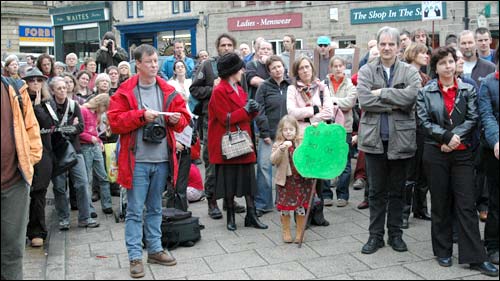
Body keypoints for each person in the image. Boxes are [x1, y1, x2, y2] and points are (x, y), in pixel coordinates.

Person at [107, 44, 190, 278]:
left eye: (156, 61)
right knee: (134, 210)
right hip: (137, 161)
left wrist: (175, 120)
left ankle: (154, 249)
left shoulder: (167, 89)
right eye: (150, 61)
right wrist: (141, 116)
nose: (155, 65)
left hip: (162, 159)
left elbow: (184, 119)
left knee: (155, 208)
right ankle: (135, 256)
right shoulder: (125, 90)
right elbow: (115, 122)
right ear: (138, 65)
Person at [417, 46, 498, 277]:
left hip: (462, 154)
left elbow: (474, 117)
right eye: (442, 63)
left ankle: (475, 257)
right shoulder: (426, 91)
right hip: (435, 152)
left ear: (455, 63)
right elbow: (423, 121)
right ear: (436, 67)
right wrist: (444, 137)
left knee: (466, 205)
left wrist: (454, 138)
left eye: (451, 61)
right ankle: (442, 250)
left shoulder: (467, 89)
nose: (448, 66)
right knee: (440, 203)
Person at [357, 26, 421, 255]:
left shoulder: (409, 72)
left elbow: (412, 97)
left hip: (401, 140)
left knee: (397, 191)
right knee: (375, 191)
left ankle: (395, 234)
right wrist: (396, 101)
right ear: (377, 45)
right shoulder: (366, 70)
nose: (386, 48)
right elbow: (364, 101)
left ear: (398, 47)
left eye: (391, 44)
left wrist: (381, 92)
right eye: (382, 44)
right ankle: (375, 236)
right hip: (374, 140)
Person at [207, 52, 267, 231]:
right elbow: (224, 118)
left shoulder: (239, 88)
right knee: (229, 182)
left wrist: (253, 109)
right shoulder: (219, 91)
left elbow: (243, 113)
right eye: (240, 68)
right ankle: (230, 217)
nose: (242, 70)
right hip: (229, 144)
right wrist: (246, 110)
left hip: (242, 140)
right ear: (232, 71)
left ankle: (251, 214)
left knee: (249, 181)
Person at [190, 33, 247, 220]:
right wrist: (211, 89)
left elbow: (243, 93)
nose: (226, 48)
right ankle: (212, 201)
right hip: (211, 121)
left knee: (231, 163)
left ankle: (229, 201)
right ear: (217, 47)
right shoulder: (208, 65)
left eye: (230, 44)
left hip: (234, 121)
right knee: (213, 163)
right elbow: (194, 90)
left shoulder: (238, 66)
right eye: (223, 45)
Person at [1, 71, 43, 280]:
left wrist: (29, 162)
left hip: (13, 181)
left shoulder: (15, 89)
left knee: (12, 250)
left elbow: (32, 130)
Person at [48, 76, 100, 231]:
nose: (63, 90)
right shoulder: (49, 107)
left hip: (75, 150)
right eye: (59, 88)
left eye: (64, 87)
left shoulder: (74, 105)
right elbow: (49, 130)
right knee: (59, 187)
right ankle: (64, 218)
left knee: (83, 183)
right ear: (52, 91)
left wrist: (65, 128)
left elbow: (81, 127)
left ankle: (85, 217)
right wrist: (70, 127)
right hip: (57, 152)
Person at [287, 56, 333, 227]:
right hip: (301, 137)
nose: (305, 70)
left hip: (318, 135)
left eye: (307, 67)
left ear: (312, 69)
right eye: (301, 68)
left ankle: (318, 214)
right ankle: (302, 214)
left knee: (319, 175)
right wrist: (314, 109)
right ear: (297, 72)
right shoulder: (293, 89)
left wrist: (309, 118)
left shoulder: (321, 87)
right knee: (303, 175)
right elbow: (291, 112)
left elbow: (328, 111)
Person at [458, 30, 496, 222]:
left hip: (481, 129)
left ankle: (483, 205)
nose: (467, 46)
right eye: (463, 43)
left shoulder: (488, 67)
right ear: (459, 45)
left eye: (469, 42)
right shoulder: (453, 65)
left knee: (482, 171)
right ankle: (465, 206)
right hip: (459, 129)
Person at [254, 55, 291, 216]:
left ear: (284, 67)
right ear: (269, 71)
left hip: (288, 134)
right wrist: (264, 132)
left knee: (286, 169)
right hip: (269, 134)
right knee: (264, 167)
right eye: (273, 68)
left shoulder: (291, 85)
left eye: (279, 66)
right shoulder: (264, 87)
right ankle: (263, 203)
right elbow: (259, 111)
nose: (277, 70)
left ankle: (284, 201)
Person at [401, 42, 432, 229]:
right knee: (410, 172)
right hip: (408, 126)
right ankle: (404, 212)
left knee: (423, 171)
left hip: (423, 127)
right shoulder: (404, 74)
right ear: (413, 54)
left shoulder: (426, 77)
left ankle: (420, 208)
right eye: (422, 52)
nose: (426, 55)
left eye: (427, 53)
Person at [22, 68, 53, 248]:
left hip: (43, 154)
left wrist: (38, 105)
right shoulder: (18, 101)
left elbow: (49, 124)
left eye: (38, 80)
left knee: (39, 193)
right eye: (31, 80)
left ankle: (37, 230)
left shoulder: (48, 103)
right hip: (23, 152)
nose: (35, 83)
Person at [271, 115, 312, 243]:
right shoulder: (278, 144)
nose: (288, 132)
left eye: (291, 129)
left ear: (296, 130)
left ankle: (300, 232)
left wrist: (315, 128)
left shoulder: (301, 142)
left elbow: (310, 151)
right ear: (281, 131)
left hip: (300, 180)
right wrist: (281, 150)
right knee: (285, 208)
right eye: (285, 130)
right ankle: (286, 231)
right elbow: (273, 160)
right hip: (286, 181)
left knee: (300, 206)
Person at [324, 56, 357, 208]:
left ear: (345, 67)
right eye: (335, 66)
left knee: (344, 162)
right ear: (331, 68)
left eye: (340, 65)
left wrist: (331, 100)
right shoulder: (324, 83)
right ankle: (326, 195)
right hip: (328, 127)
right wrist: (337, 102)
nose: (338, 68)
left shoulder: (350, 85)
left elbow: (350, 103)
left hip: (345, 128)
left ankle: (342, 195)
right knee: (326, 160)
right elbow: (322, 103)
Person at [478, 47, 499, 265]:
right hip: (495, 151)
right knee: (496, 200)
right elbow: (487, 115)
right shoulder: (488, 83)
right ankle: (492, 244)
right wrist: (496, 140)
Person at [166, 60, 195, 211]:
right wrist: (173, 143)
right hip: (171, 150)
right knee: (173, 186)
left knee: (181, 186)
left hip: (185, 151)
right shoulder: (169, 111)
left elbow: (192, 134)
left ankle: (183, 214)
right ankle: (173, 215)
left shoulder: (187, 115)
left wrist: (188, 142)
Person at [80, 94, 114, 215]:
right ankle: (89, 209)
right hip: (85, 146)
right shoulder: (83, 110)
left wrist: (98, 141)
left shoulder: (95, 114)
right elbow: (79, 131)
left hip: (95, 146)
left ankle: (107, 204)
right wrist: (91, 139)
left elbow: (95, 131)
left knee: (103, 176)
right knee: (87, 179)